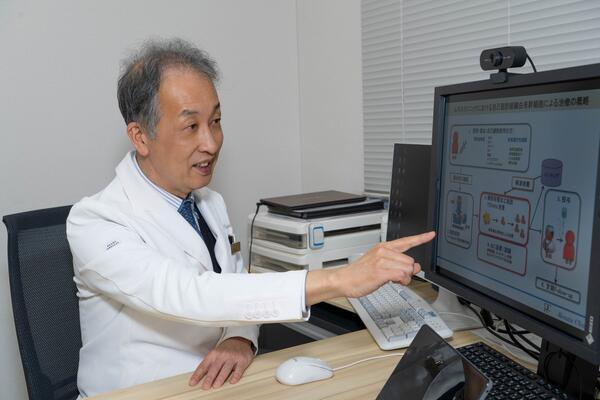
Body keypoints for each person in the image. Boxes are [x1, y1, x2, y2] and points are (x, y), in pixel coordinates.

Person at [66, 38, 435, 397]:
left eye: (216, 121)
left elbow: (237, 285)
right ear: (140, 137)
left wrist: (240, 338)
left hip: (219, 386)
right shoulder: (95, 222)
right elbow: (189, 293)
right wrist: (340, 279)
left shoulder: (209, 203)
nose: (211, 143)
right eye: (191, 127)